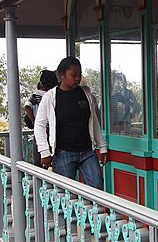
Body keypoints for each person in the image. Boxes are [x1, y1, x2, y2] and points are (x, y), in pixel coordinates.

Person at [34, 57, 108, 189]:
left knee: (97, 188)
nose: (77, 78)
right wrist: (44, 152)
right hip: (63, 153)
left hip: (87, 152)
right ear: (62, 75)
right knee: (65, 193)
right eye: (73, 75)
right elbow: (39, 125)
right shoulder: (50, 97)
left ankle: (92, 211)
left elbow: (93, 121)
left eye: (79, 74)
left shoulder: (85, 93)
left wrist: (102, 146)